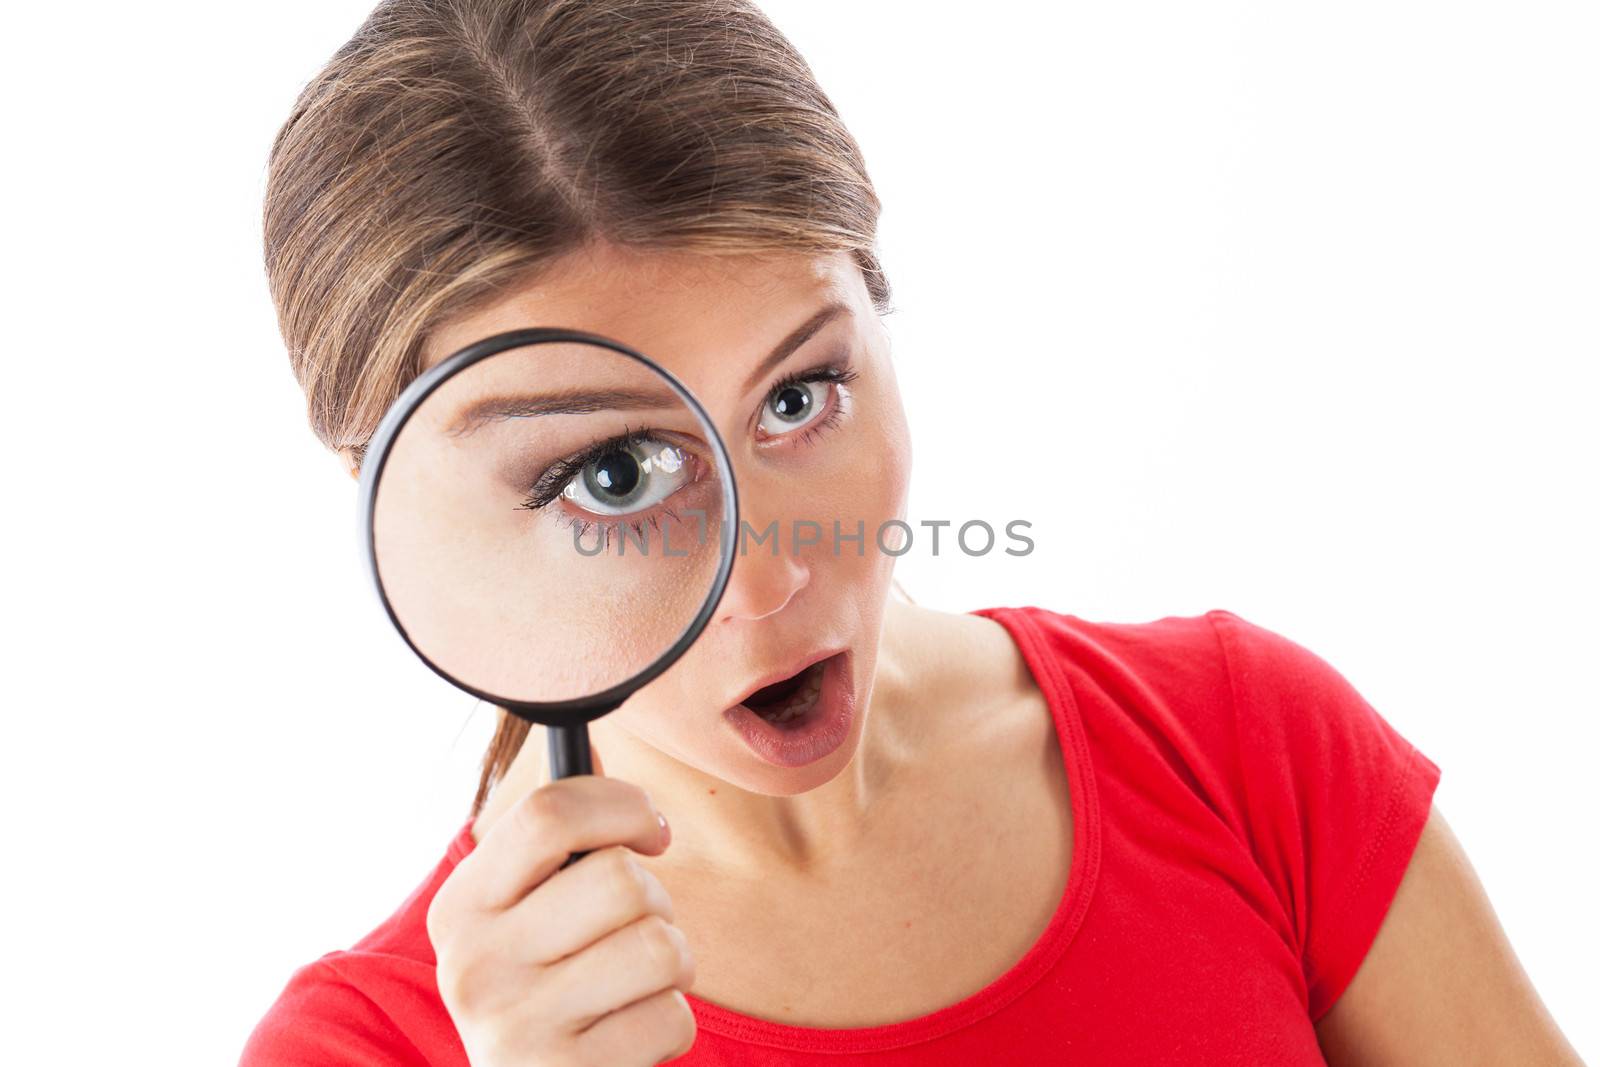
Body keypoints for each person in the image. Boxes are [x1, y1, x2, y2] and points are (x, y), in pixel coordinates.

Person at [241, 1, 1583, 1064]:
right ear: (397, 502)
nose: (771, 575)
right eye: (614, 472)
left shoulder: (1242, 750)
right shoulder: (373, 1050)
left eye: (800, 394)